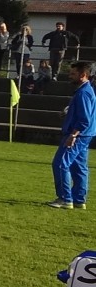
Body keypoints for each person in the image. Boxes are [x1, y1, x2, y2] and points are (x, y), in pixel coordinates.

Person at [48, 60, 94, 210]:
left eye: (73, 74)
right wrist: (68, 113)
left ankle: (65, 199)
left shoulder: (83, 93)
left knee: (60, 164)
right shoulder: (85, 90)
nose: (70, 76)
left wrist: (73, 135)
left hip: (78, 135)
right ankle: (79, 200)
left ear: (83, 75)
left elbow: (85, 119)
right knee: (79, 167)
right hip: (85, 135)